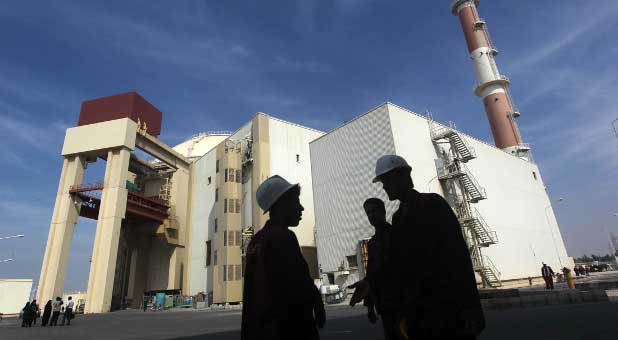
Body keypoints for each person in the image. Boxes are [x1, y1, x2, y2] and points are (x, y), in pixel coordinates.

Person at [350, 155, 485, 339]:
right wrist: (371, 284)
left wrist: (471, 307)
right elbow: (395, 264)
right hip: (418, 312)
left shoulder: (432, 205)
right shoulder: (398, 218)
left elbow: (458, 258)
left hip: (446, 308)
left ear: (403, 176)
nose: (384, 187)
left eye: (386, 180)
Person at [241, 175, 325, 340]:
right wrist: (317, 303)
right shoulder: (283, 237)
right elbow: (299, 283)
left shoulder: (256, 241)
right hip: (289, 329)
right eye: (296, 202)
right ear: (281, 205)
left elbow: (249, 295)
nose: (301, 208)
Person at [357, 198, 401, 340]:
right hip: (385, 304)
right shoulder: (372, 243)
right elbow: (370, 274)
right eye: (368, 213)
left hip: (402, 302)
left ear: (383, 211)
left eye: (374, 211)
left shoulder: (395, 235)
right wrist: (370, 306)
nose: (371, 215)